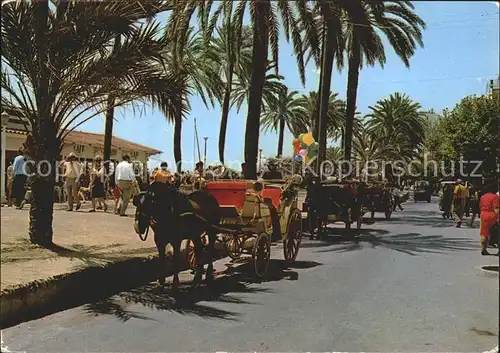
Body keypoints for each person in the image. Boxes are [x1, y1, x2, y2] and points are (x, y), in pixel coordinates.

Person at [479, 183, 499, 255]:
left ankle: (483, 249)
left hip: (483, 215)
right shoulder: (495, 197)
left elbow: (480, 206)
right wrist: (498, 217)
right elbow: (496, 208)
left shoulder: (483, 197)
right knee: (497, 233)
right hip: (492, 215)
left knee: (484, 233)